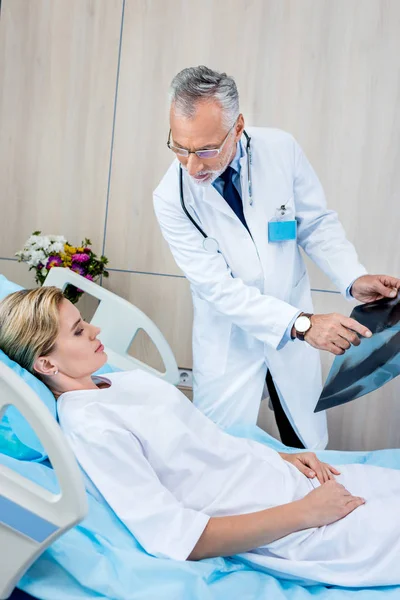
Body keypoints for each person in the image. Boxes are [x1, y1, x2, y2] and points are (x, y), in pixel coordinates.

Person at [1, 286, 400, 588]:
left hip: (293, 481)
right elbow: (175, 536)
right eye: (78, 330)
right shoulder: (92, 428)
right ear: (46, 362)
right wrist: (308, 513)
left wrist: (281, 459)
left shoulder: (116, 382)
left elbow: (204, 446)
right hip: (294, 525)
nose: (96, 329)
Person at [153, 65, 400, 449]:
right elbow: (219, 289)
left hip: (296, 322)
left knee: (307, 445)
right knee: (219, 452)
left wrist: (352, 278)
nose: (191, 165)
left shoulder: (280, 150)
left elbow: (315, 222)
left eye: (205, 150)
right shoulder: (172, 198)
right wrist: (301, 324)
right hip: (230, 339)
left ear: (237, 128)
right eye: (179, 147)